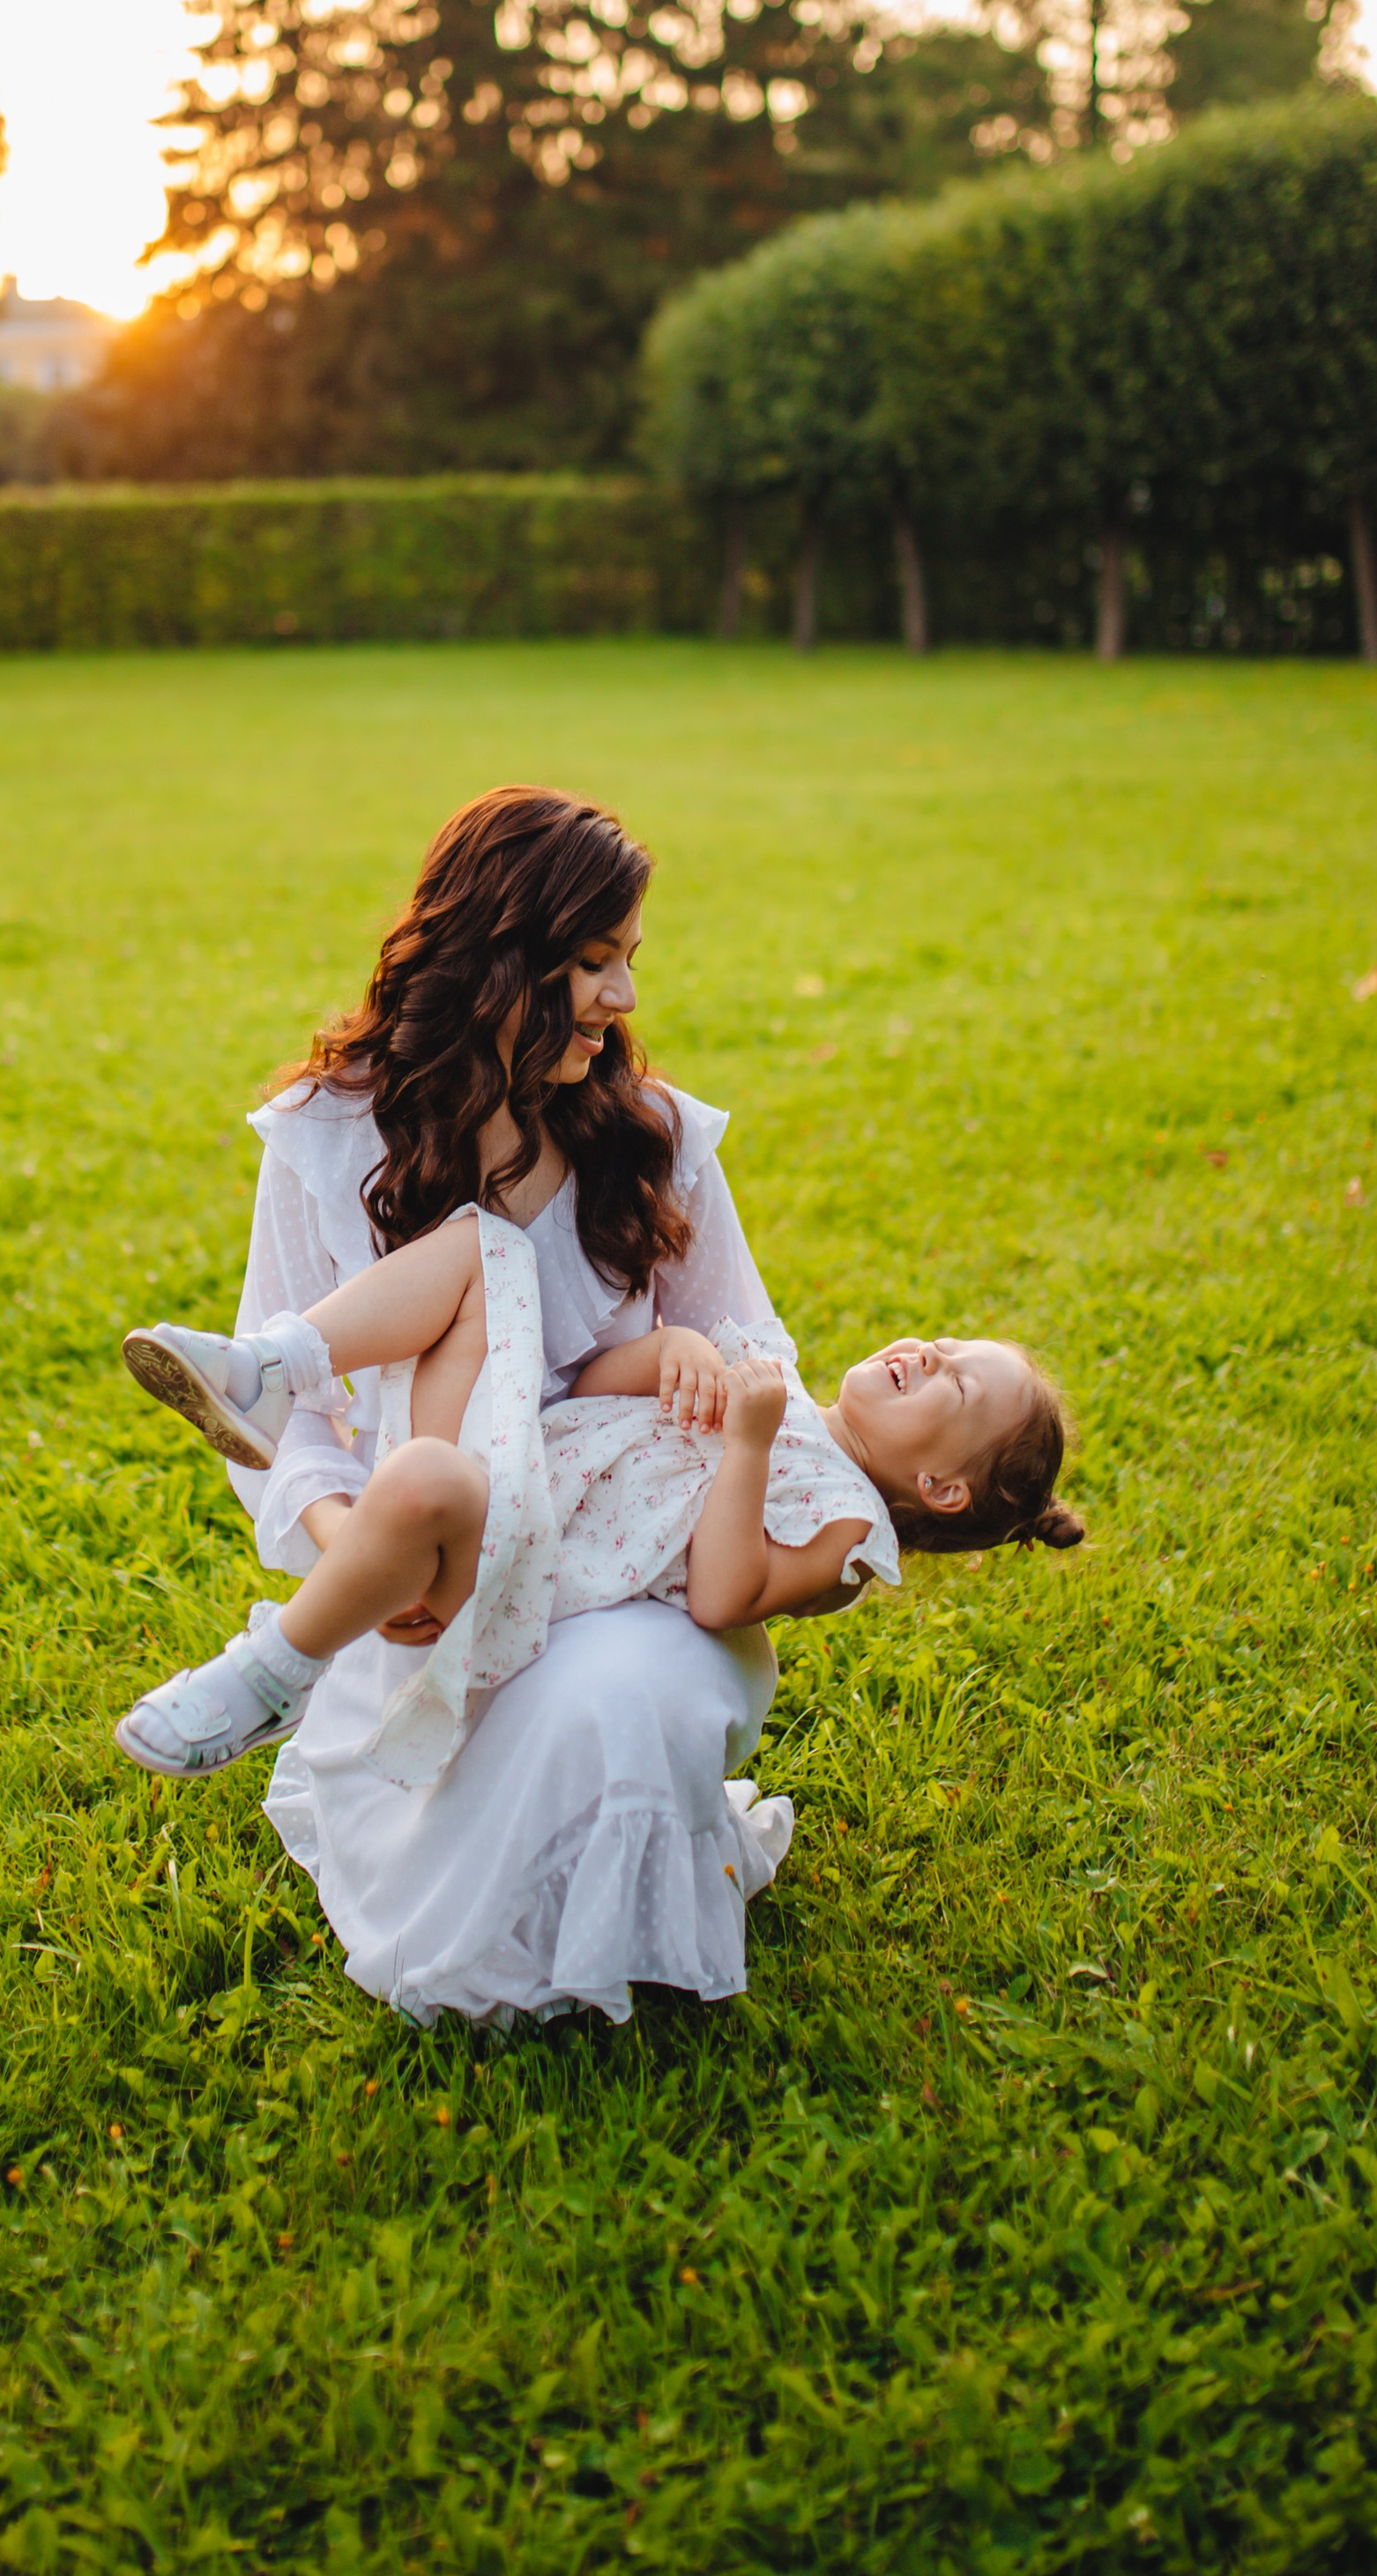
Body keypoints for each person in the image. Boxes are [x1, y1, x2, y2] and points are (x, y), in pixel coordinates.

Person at [111, 783, 1076, 2026]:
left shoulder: (652, 1134)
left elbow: (747, 1355)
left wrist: (681, 1353)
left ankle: (578, 1938)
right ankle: (279, 1397)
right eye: (590, 964)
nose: (622, 998)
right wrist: (360, 1555)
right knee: (476, 1281)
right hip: (424, 1538)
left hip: (617, 1566)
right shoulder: (327, 1136)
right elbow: (295, 1454)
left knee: (614, 1690)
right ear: (493, 963)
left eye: (628, 961)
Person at [118, 1219, 1075, 1787]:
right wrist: (673, 1356)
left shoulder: (849, 1532)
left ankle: (274, 1671)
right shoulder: (767, 1373)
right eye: (946, 1341)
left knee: (426, 1484)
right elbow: (587, 1392)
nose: (927, 1352)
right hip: (520, 1461)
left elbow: (725, 1599)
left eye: (955, 1383)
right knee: (481, 1246)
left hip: (520, 1564)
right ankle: (272, 1369)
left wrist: (744, 1443)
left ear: (942, 1489)